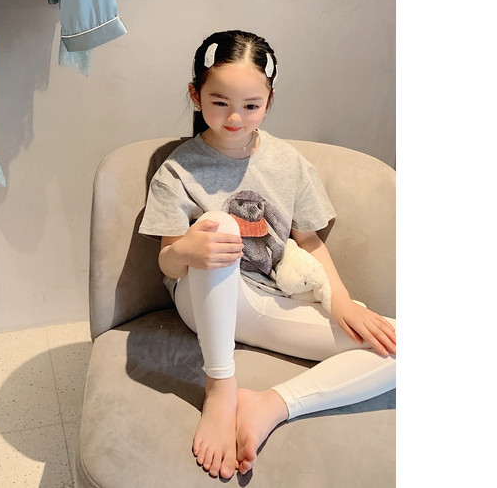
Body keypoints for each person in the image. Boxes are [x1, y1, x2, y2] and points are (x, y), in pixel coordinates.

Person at [138, 30, 396, 479]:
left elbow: (310, 241)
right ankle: (221, 386)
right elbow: (167, 262)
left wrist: (340, 301)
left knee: (397, 345)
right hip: (205, 302)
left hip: (271, 297)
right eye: (220, 102)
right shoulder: (177, 170)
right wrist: (187, 249)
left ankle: (269, 406)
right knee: (218, 225)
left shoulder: (288, 162)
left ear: (269, 101)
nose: (235, 117)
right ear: (195, 96)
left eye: (251, 105)